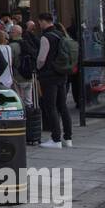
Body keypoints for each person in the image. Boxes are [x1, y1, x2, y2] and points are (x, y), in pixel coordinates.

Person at [36, 13, 74, 148]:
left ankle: (56, 139)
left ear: (43, 21)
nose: (39, 25)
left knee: (50, 107)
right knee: (63, 106)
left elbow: (41, 59)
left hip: (49, 76)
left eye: (39, 22)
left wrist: (38, 68)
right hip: (61, 74)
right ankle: (68, 138)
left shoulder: (46, 37)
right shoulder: (61, 34)